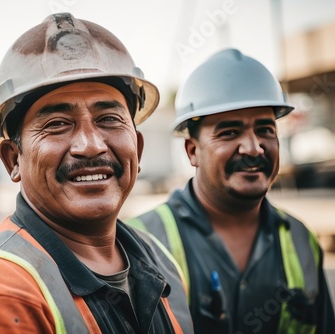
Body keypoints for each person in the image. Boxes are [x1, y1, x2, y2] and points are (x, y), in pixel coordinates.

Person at [0, 12, 193, 333]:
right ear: (13, 161)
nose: (90, 146)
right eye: (57, 124)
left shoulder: (160, 262)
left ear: (138, 147)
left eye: (108, 118)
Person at [129, 48, 335, 333]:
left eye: (265, 130)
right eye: (229, 132)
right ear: (193, 151)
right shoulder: (140, 243)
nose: (253, 148)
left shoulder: (301, 241)